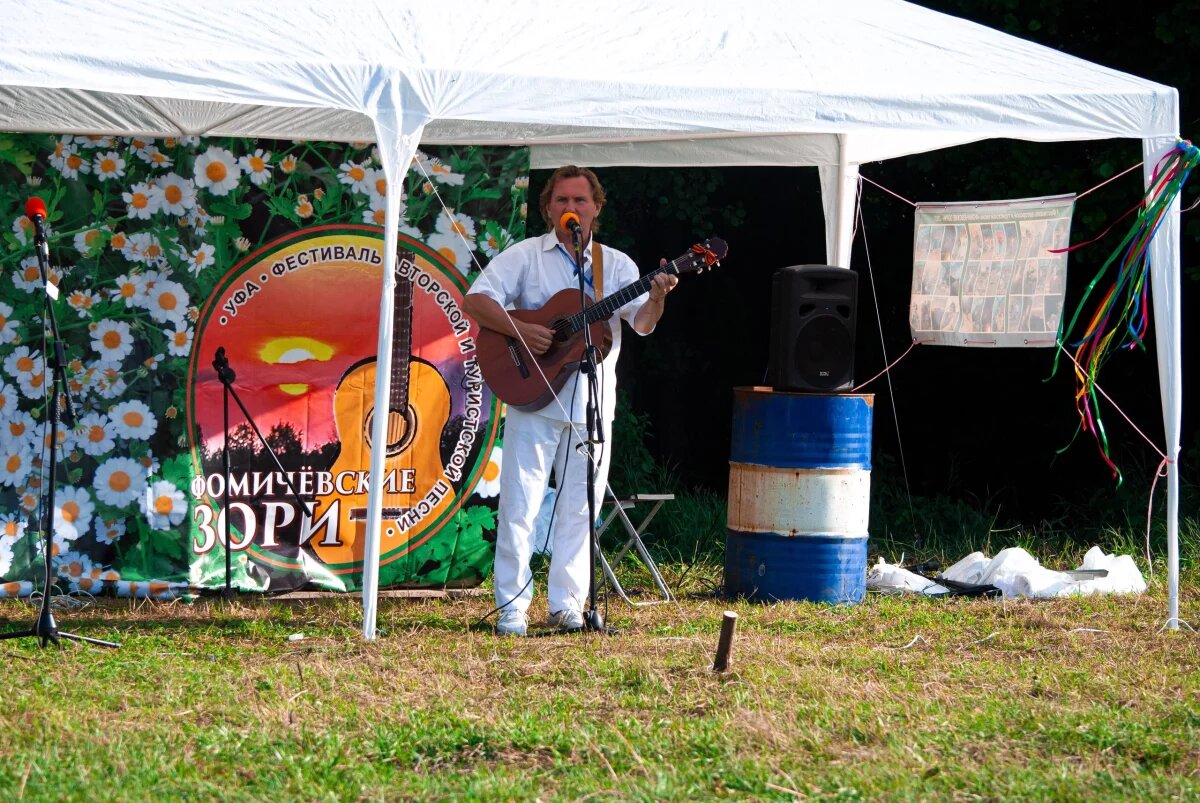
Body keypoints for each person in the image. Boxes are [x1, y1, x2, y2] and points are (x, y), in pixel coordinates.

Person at [462, 165, 677, 635]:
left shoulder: (614, 265)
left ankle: (567, 605)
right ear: (548, 209)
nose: (571, 209)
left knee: (582, 508)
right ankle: (512, 609)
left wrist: (657, 296)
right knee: (520, 504)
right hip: (532, 400)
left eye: (580, 201)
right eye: (562, 201)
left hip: (591, 406)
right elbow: (476, 301)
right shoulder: (525, 256)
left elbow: (641, 324)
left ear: (596, 208)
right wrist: (521, 330)